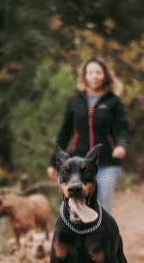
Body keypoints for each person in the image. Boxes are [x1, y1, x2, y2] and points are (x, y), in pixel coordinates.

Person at [48, 56, 130, 214]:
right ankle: (82, 236)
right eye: (90, 72)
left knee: (102, 203)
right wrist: (53, 162)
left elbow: (122, 129)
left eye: (98, 72)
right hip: (79, 164)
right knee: (78, 203)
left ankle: (102, 237)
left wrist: (121, 145)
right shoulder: (74, 102)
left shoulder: (113, 102)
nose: (94, 76)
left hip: (107, 162)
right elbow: (64, 132)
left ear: (105, 75)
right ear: (84, 76)